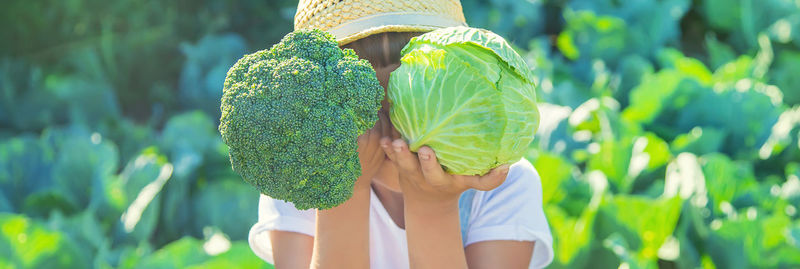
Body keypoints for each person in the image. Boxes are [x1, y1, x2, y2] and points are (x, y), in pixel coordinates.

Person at [248, 0, 554, 268]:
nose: (393, 133)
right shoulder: (299, 183)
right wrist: (343, 190)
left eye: (411, 102)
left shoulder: (504, 186)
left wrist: (434, 204)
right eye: (363, 112)